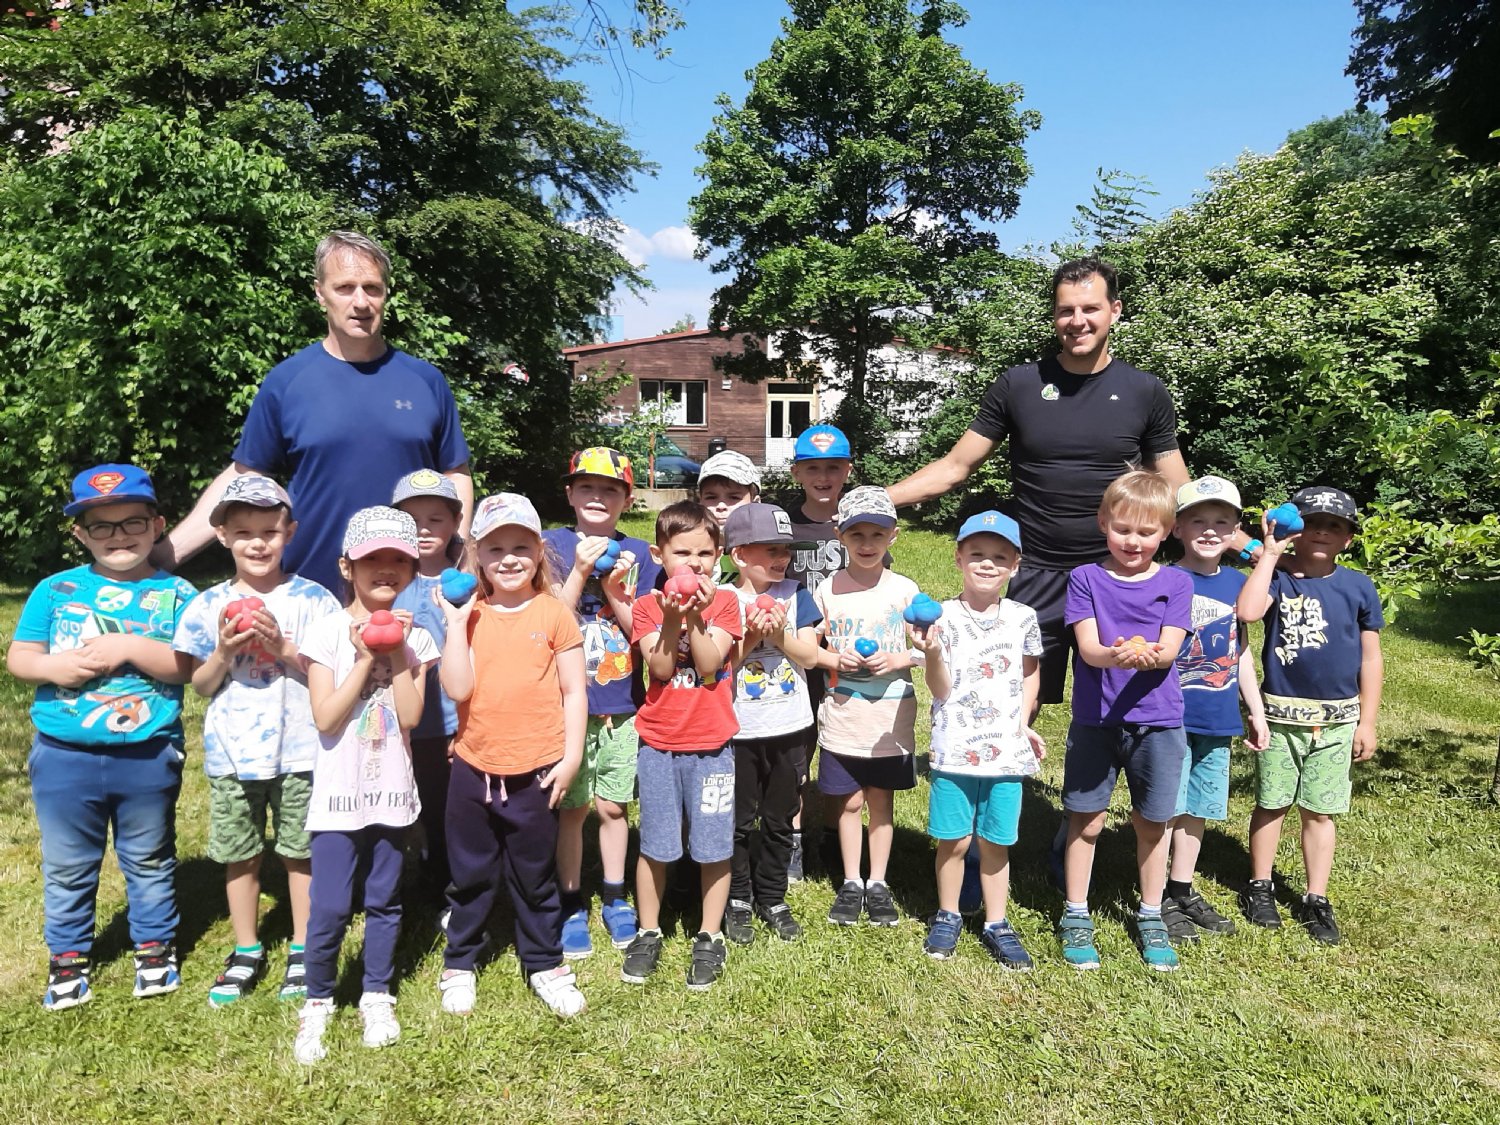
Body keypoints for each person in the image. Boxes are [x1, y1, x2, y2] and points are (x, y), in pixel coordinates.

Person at [887, 259, 1198, 708]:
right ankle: (1000, 777)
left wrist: (1242, 543)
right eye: (1065, 310)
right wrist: (876, 499)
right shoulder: (1019, 385)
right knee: (1016, 698)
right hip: (1035, 571)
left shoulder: (1144, 391)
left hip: (1114, 576)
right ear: (1054, 317)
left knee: (1121, 699)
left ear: (1115, 310)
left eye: (1090, 308)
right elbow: (956, 465)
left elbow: (1177, 489)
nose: (1077, 321)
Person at [157, 231, 473, 594]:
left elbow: (455, 473)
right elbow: (245, 475)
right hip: (310, 591)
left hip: (410, 590)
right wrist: (165, 556)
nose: (361, 302)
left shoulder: (424, 380)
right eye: (345, 288)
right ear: (320, 293)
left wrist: (455, 552)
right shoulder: (288, 381)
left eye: (372, 288)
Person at [7, 464, 197, 1010]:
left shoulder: (177, 592)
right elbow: (19, 656)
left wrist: (130, 648)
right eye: (103, 526)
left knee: (150, 857)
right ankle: (67, 960)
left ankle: (155, 951)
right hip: (64, 756)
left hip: (147, 754)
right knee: (68, 864)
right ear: (80, 533)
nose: (119, 536)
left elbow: (187, 666)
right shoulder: (56, 589)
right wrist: (54, 668)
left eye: (132, 522)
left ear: (158, 524)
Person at [173, 474, 340, 1006]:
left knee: (300, 854)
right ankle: (245, 947)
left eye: (269, 530)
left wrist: (284, 646)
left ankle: (302, 946)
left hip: (301, 751)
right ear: (222, 535)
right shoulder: (206, 607)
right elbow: (199, 684)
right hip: (233, 753)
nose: (258, 542)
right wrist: (223, 651)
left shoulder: (313, 599)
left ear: (289, 531)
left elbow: (328, 668)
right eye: (243, 532)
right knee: (239, 855)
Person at [292, 507, 439, 1065]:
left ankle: (377, 992)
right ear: (346, 564)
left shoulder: (417, 637)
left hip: (391, 791)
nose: (385, 568)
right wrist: (361, 659)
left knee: (384, 899)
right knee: (328, 905)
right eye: (372, 558)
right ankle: (319, 999)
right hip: (337, 796)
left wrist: (398, 651)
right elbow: (327, 718)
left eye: (398, 559)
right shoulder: (325, 632)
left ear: (412, 568)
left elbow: (409, 712)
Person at [435, 494, 588, 1018]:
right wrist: (455, 627)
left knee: (533, 873)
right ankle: (460, 961)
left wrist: (570, 760)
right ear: (476, 555)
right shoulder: (468, 614)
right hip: (474, 768)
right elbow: (457, 687)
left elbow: (574, 693)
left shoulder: (554, 613)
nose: (508, 558)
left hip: (539, 770)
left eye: (520, 545)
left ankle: (545, 962)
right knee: (471, 873)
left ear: (539, 550)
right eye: (494, 547)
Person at [1235, 486, 1383, 945]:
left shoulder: (1358, 585)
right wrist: (1268, 553)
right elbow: (1248, 611)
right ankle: (1259, 885)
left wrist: (1368, 720)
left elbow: (1371, 658)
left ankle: (1316, 897)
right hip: (1280, 715)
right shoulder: (1278, 575)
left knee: (1320, 811)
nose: (1322, 531)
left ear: (1348, 538)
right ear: (1295, 530)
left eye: (1334, 526)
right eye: (1312, 522)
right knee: (1273, 802)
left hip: (1338, 720)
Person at [1058, 471, 1192, 973]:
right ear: (1103, 524)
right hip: (1096, 720)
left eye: (1146, 532)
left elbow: (1171, 649)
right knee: (1086, 819)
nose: (1133, 541)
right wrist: (1120, 655)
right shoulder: (1086, 579)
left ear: (1166, 532)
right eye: (1122, 530)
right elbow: (1090, 650)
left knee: (1153, 821)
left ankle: (1152, 912)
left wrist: (1149, 655)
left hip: (1159, 721)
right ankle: (1076, 913)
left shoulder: (1178, 582)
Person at [542, 447, 661, 960]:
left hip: (622, 705)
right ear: (569, 494)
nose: (597, 497)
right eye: (586, 488)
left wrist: (614, 589)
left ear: (626, 499)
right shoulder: (549, 545)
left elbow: (643, 634)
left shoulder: (639, 553)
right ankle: (570, 901)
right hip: (564, 707)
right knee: (572, 809)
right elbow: (545, 624)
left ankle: (614, 896)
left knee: (614, 806)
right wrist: (578, 574)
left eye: (610, 490)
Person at [914, 511, 1045, 968]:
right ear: (958, 559)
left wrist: (1024, 723)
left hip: (1006, 754)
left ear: (1016, 564)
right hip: (955, 749)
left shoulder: (1023, 617)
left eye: (999, 557)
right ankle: (948, 914)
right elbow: (940, 689)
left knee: (996, 841)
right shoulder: (943, 617)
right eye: (976, 555)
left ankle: (997, 922)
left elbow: (1031, 675)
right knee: (953, 840)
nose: (987, 564)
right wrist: (931, 652)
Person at [621, 501, 742, 990]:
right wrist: (672, 619)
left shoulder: (728, 603)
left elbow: (711, 664)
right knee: (656, 844)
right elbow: (662, 669)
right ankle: (649, 931)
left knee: (714, 844)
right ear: (659, 555)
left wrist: (695, 618)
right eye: (682, 552)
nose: (695, 564)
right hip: (660, 744)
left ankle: (709, 936)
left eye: (705, 553)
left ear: (719, 556)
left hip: (713, 745)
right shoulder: (647, 608)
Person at [1161, 476, 1270, 944]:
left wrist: (1257, 711)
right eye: (1197, 521)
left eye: (1221, 522)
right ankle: (1157, 894)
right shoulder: (1165, 579)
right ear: (1177, 528)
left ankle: (1182, 887)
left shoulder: (1238, 585)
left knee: (1199, 808)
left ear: (1235, 529)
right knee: (1166, 806)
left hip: (1218, 716)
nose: (1209, 531)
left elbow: (1241, 651)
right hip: (1171, 714)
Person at [813, 486, 920, 929]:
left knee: (880, 802)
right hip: (843, 720)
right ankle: (851, 881)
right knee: (849, 802)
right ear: (839, 534)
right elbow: (806, 645)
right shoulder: (828, 590)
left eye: (877, 533)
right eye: (856, 533)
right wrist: (834, 659)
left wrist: (901, 658)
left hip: (889, 722)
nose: (867, 543)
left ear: (893, 536)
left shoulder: (905, 590)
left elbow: (931, 647)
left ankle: (878, 882)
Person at [722, 503, 822, 944]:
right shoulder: (722, 598)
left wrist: (778, 634)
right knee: (740, 820)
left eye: (785, 549)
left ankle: (773, 896)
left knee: (780, 818)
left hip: (790, 725)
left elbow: (811, 656)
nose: (781, 558)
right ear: (739, 555)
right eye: (770, 550)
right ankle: (739, 897)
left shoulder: (797, 594)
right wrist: (751, 634)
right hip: (740, 729)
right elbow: (719, 665)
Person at [390, 469, 465, 897]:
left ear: (455, 523)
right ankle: (398, 872)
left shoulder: (469, 582)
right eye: (411, 519)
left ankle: (444, 883)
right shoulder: (385, 578)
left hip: (451, 722)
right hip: (396, 719)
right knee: (402, 802)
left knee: (444, 807)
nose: (423, 528)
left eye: (435, 519)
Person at [697, 449, 761, 583]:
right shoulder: (688, 551)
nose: (721, 506)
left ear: (755, 503)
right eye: (711, 497)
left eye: (734, 497)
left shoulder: (766, 552)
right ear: (700, 502)